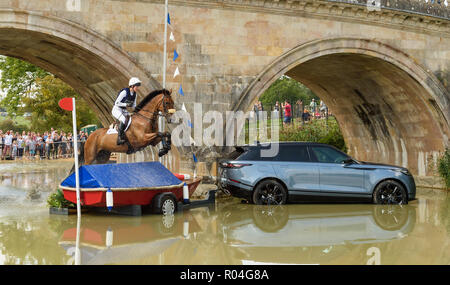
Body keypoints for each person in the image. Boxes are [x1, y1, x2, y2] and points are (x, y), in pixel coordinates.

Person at [112, 77, 141, 145]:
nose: (138, 88)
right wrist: (126, 104)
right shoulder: (125, 92)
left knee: (132, 120)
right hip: (116, 109)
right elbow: (116, 103)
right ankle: (119, 138)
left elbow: (134, 106)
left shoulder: (135, 94)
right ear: (132, 85)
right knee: (123, 119)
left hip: (124, 110)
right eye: (137, 86)